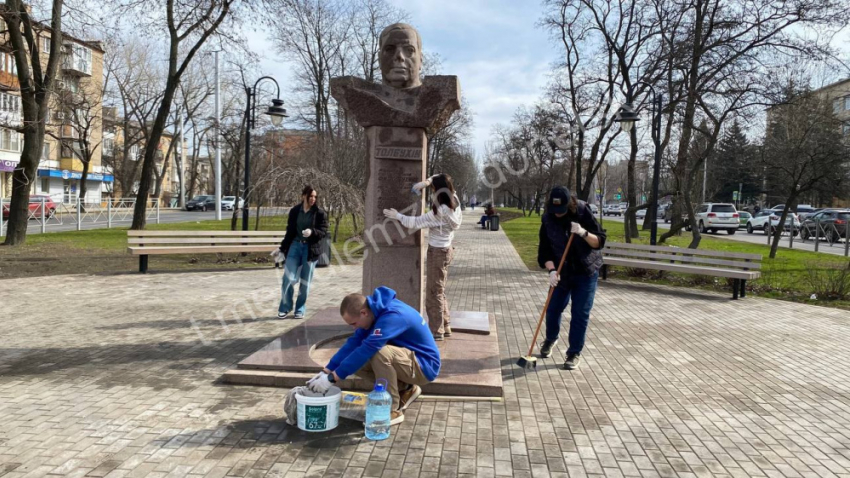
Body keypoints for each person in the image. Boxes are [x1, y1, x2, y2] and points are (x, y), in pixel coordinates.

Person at [306, 287, 441, 425]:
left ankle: (391, 411)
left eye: (353, 323)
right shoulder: (373, 313)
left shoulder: (393, 316)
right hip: (408, 361)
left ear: (363, 313)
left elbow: (368, 348)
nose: (354, 328)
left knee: (379, 353)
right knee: (355, 360)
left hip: (425, 366)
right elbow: (353, 343)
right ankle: (406, 389)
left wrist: (332, 378)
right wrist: (327, 370)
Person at [383, 174, 462, 340]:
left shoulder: (440, 212)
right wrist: (425, 182)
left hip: (437, 253)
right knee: (439, 290)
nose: (431, 191)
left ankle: (436, 331)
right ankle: (445, 326)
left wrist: (397, 216)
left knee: (434, 294)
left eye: (433, 188)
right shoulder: (454, 199)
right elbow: (441, 177)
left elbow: (415, 222)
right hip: (446, 249)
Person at [537, 186, 606, 370]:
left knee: (580, 313)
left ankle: (574, 352)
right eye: (554, 210)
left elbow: (599, 241)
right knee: (553, 308)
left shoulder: (582, 211)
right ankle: (551, 339)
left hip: (586, 271)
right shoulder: (547, 219)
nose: (558, 214)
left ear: (569, 205)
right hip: (562, 272)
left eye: (561, 211)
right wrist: (551, 270)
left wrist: (583, 233)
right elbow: (544, 251)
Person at [276, 186, 329, 319]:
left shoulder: (320, 213)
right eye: (310, 196)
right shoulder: (295, 211)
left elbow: (323, 231)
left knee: (305, 283)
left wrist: (312, 232)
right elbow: (290, 231)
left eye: (315, 197)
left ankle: (300, 309)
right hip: (295, 246)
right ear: (303, 196)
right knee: (287, 278)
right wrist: (282, 249)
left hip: (310, 249)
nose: (313, 199)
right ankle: (285, 307)